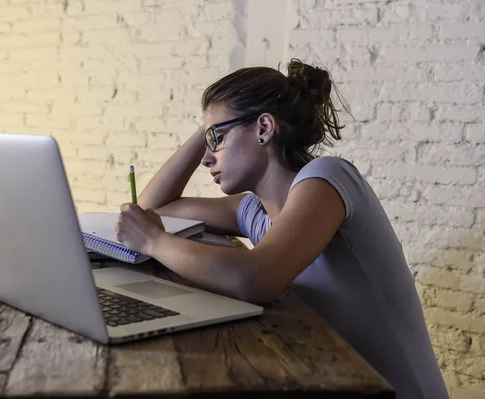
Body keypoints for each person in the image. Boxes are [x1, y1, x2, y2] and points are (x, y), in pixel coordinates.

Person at [114, 59, 449, 398]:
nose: (206, 156)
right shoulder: (255, 211)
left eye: (217, 139)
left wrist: (154, 242)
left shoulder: (328, 178)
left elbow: (253, 279)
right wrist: (208, 129)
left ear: (263, 128)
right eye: (207, 140)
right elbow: (153, 209)